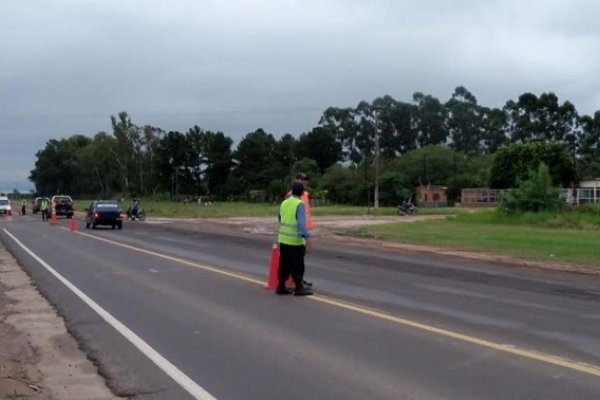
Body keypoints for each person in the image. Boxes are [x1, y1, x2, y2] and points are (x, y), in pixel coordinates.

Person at [276, 182, 313, 296]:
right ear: (302, 193)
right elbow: (301, 224)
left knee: (284, 265)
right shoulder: (299, 204)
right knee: (297, 265)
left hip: (283, 240)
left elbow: (280, 218)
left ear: (291, 191)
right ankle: (299, 287)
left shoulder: (284, 202)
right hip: (295, 242)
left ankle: (281, 286)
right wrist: (307, 238)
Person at [285, 173, 314, 287]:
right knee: (297, 258)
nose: (304, 182)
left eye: (305, 180)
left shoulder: (305, 194)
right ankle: (296, 280)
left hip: (304, 227)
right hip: (297, 230)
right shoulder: (291, 195)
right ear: (296, 180)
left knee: (300, 257)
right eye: (301, 179)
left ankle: (298, 278)